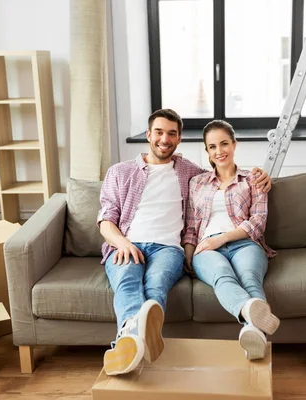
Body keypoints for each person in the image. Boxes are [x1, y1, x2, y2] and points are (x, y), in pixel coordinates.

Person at [97, 109, 272, 375]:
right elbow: (106, 218)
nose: (164, 139)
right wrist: (121, 242)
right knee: (128, 281)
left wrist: (261, 175)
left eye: (172, 134)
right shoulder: (120, 172)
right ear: (148, 134)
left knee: (156, 285)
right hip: (126, 244)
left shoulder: (188, 171)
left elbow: (222, 173)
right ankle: (130, 341)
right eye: (159, 132)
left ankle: (132, 344)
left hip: (168, 249)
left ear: (179, 139)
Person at [183, 120, 279, 361]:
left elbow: (257, 222)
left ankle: (252, 332)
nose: (219, 151)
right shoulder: (197, 182)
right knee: (222, 275)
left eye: (224, 144)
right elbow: (192, 226)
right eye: (212, 146)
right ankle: (251, 317)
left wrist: (223, 238)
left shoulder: (252, 179)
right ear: (207, 152)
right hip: (206, 248)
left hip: (245, 244)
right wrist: (188, 255)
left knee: (249, 278)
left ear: (234, 145)